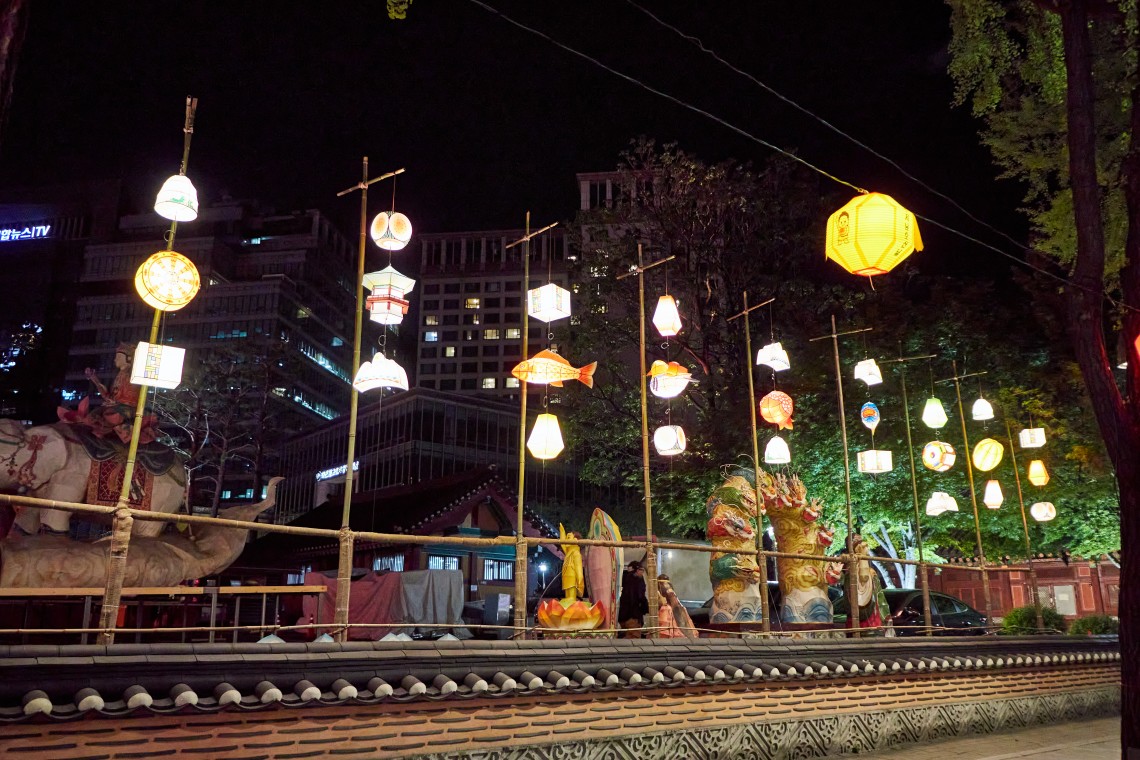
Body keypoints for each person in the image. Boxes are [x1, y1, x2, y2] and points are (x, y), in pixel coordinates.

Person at [617, 560, 648, 638]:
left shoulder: (624, 579)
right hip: (633, 616)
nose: (642, 573)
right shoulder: (638, 580)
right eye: (642, 570)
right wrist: (645, 608)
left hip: (622, 617)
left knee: (625, 640)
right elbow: (640, 597)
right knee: (633, 641)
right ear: (637, 570)